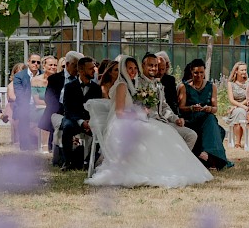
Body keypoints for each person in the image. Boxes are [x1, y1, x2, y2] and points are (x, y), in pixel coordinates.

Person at [85, 56, 213, 188]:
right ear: (124, 69)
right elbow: (120, 112)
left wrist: (172, 118)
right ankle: (162, 168)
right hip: (123, 123)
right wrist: (140, 113)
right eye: (130, 68)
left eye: (135, 68)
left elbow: (162, 106)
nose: (133, 71)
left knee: (167, 132)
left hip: (136, 120)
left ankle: (173, 167)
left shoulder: (133, 85)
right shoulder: (123, 85)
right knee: (157, 133)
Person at [179, 58, 233, 169]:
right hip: (191, 119)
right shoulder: (184, 87)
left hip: (206, 117)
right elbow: (181, 108)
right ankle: (214, 159)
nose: (199, 75)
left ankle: (210, 156)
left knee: (211, 119)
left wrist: (209, 108)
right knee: (217, 128)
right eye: (196, 73)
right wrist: (192, 108)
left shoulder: (211, 86)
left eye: (201, 73)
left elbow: (215, 108)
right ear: (191, 72)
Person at [140, 53, 197, 151]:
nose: (154, 68)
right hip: (148, 124)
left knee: (191, 135)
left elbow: (164, 106)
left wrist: (176, 119)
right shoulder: (137, 84)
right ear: (143, 65)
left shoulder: (158, 84)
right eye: (150, 65)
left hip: (164, 122)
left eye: (155, 66)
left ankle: (180, 164)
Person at [58, 56, 103, 170]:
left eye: (94, 68)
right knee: (67, 127)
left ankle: (88, 161)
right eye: (91, 68)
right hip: (74, 119)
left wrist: (91, 122)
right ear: (81, 70)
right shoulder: (69, 87)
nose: (94, 70)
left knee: (102, 131)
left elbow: (97, 108)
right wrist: (81, 122)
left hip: (90, 120)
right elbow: (68, 109)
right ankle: (67, 161)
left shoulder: (96, 88)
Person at [39, 50, 82, 164]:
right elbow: (50, 99)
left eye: (79, 66)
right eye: (75, 65)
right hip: (58, 112)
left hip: (77, 113)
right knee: (64, 123)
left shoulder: (81, 79)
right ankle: (62, 157)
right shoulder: (55, 79)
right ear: (67, 64)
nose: (77, 69)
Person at [7, 59, 36, 150]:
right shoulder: (12, 84)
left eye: (23, 70)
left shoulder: (29, 82)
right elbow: (12, 97)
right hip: (14, 105)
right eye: (18, 71)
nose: (21, 73)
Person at [225, 62, 249, 147]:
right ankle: (240, 141)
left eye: (245, 70)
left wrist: (239, 106)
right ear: (236, 71)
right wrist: (240, 106)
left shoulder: (248, 82)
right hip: (236, 107)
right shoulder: (231, 84)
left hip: (246, 106)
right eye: (242, 70)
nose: (244, 72)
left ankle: (240, 141)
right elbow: (231, 100)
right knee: (239, 112)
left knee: (240, 111)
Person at [155, 51, 180, 117]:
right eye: (158, 69)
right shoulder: (150, 79)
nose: (160, 72)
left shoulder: (170, 80)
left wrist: (175, 116)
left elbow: (173, 101)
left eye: (163, 69)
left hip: (168, 112)